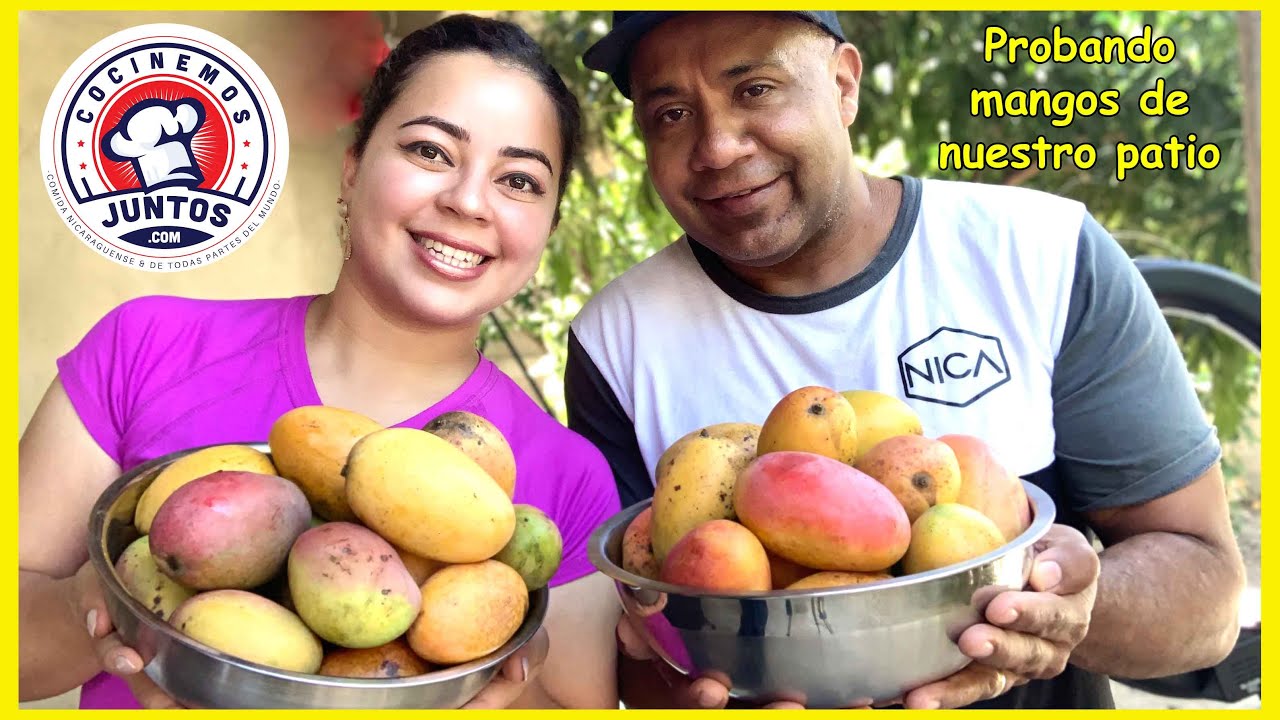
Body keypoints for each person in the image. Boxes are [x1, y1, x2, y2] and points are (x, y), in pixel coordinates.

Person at [564, 10, 1246, 710]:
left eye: (755, 89)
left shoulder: (1041, 254)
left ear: (844, 85)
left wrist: (1064, 609)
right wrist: (683, 676)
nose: (717, 147)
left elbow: (1208, 596)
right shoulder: (618, 338)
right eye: (672, 113)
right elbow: (631, 646)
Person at [19, 14, 622, 710]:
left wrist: (501, 694)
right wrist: (99, 612)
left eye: (519, 180)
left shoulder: (569, 478)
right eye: (430, 151)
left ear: (547, 227)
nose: (466, 200)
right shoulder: (144, 347)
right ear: (353, 167)